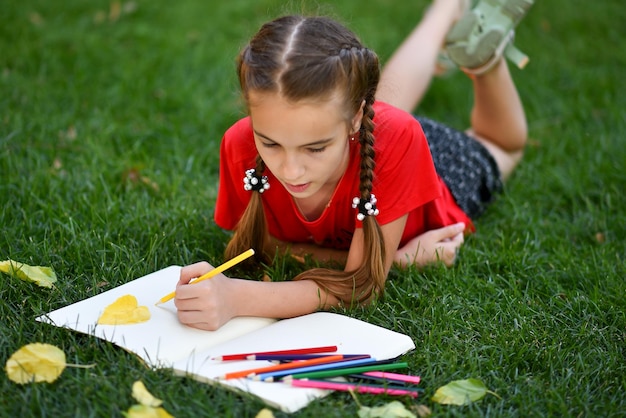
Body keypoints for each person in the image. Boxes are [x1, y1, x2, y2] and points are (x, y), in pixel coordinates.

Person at [174, 0, 534, 330]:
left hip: (435, 173)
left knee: (501, 145)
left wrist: (237, 297)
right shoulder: (240, 145)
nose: (291, 170)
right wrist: (397, 259)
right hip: (369, 140)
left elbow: (359, 286)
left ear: (358, 118)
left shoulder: (392, 139)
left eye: (314, 149)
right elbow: (259, 246)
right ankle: (443, 13)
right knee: (379, 110)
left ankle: (482, 58)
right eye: (270, 143)